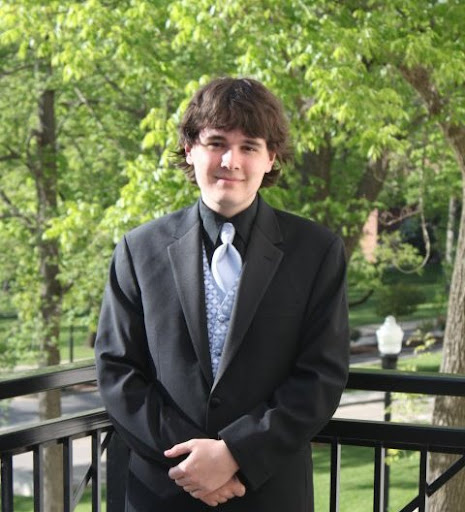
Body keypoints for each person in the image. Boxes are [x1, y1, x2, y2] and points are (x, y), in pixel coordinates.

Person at [95, 77, 349, 512]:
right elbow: (117, 371)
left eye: (249, 146)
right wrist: (194, 464)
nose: (231, 161)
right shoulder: (138, 250)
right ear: (190, 149)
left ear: (270, 158)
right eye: (216, 143)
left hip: (268, 494)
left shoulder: (317, 252)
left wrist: (235, 454)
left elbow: (321, 377)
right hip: (164, 492)